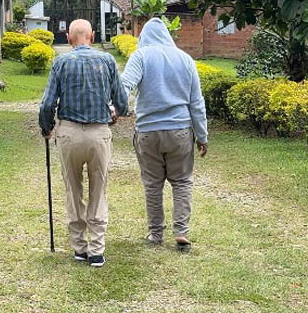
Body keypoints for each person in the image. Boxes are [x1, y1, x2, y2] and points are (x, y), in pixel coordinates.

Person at [38, 19, 129, 267]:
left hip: (68, 134)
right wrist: (117, 112)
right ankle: (97, 250)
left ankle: (79, 248)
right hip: (99, 133)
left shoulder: (61, 62)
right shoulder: (107, 61)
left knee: (73, 190)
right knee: (98, 192)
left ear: (68, 38)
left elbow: (47, 103)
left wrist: (47, 127)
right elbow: (121, 100)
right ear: (93, 35)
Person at [120, 17, 208, 249]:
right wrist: (202, 135)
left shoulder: (140, 56)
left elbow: (125, 85)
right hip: (180, 131)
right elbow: (196, 102)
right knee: (181, 182)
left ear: (143, 37)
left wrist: (115, 108)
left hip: (148, 132)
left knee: (152, 184)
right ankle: (181, 231)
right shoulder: (185, 59)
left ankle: (155, 234)